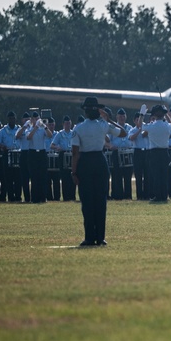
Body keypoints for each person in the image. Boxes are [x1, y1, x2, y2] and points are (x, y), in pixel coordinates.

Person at [71, 97, 126, 246]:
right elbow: (123, 133)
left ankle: (89, 237)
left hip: (85, 163)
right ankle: (100, 238)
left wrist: (74, 172)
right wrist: (109, 120)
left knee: (87, 202)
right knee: (101, 202)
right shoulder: (103, 125)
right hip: (100, 162)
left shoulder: (78, 128)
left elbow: (75, 153)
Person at [50, 116, 76, 201]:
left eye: (69, 123)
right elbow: (52, 145)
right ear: (63, 124)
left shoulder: (74, 133)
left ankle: (72, 196)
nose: (68, 125)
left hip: (72, 155)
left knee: (73, 175)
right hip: (63, 154)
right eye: (66, 123)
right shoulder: (60, 134)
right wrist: (58, 147)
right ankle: (66, 197)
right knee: (65, 177)